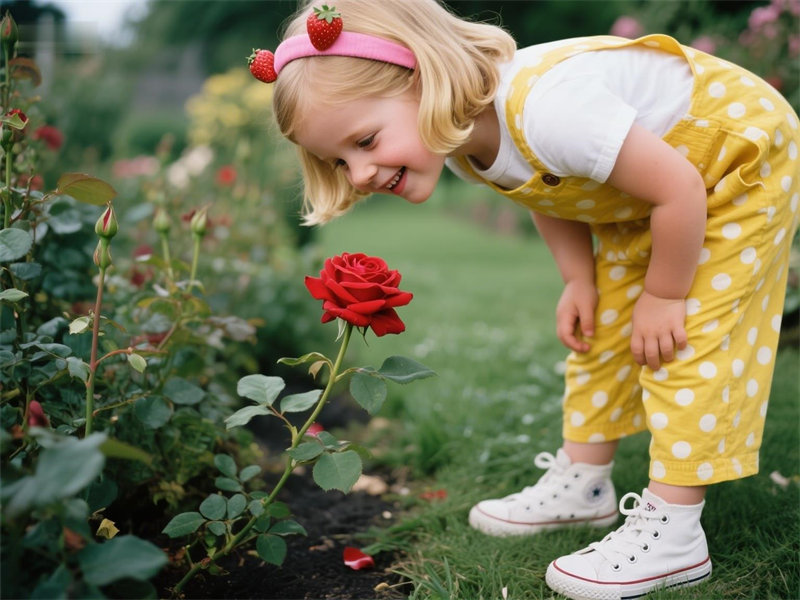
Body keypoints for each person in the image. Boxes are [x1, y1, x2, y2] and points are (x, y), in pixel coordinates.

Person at [258, 1, 800, 598]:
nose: (358, 173)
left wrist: (666, 296)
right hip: (654, 194)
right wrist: (580, 280)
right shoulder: (466, 147)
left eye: (364, 140)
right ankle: (584, 484)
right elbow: (548, 192)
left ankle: (674, 531)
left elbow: (680, 187)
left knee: (681, 338)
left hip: (734, 163)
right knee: (604, 330)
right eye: (340, 159)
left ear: (427, 80)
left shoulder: (552, 109)